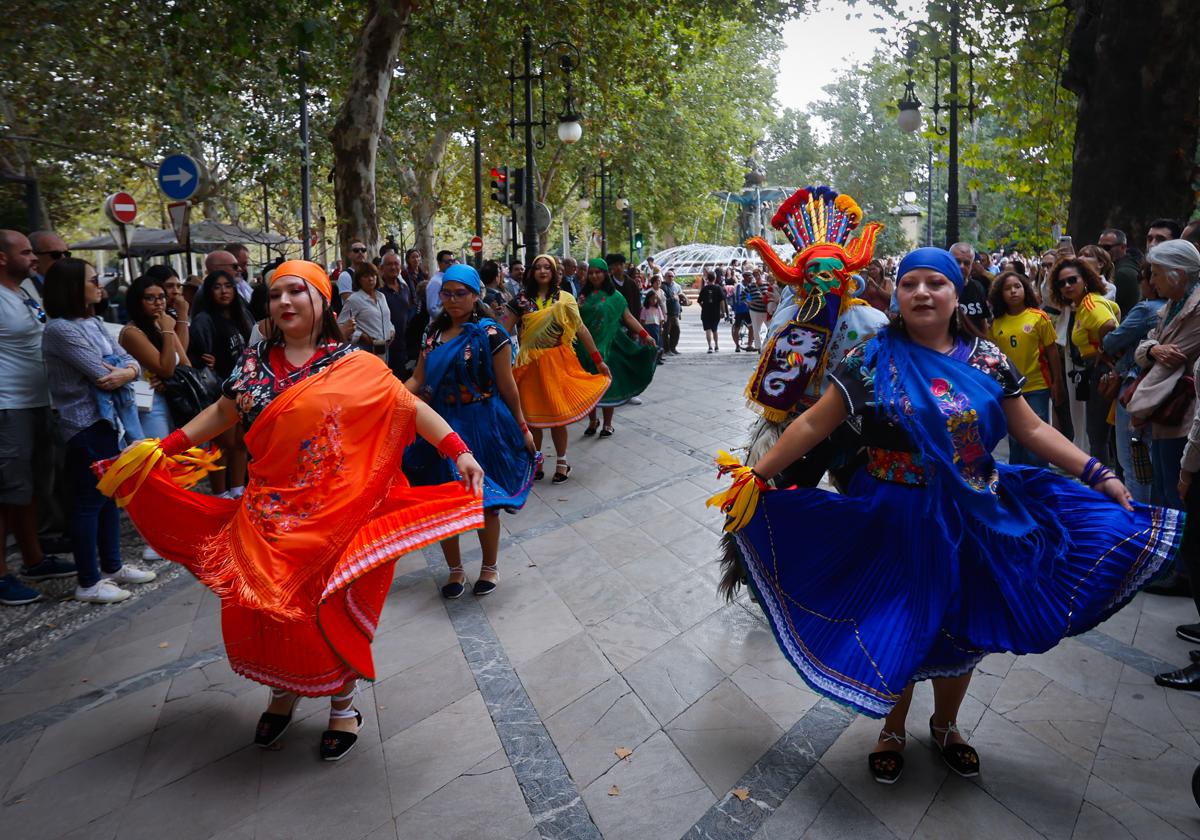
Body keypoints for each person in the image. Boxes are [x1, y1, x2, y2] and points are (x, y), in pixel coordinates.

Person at [709, 246, 1181, 785]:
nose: (922, 293)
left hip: (971, 515)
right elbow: (814, 425)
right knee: (901, 618)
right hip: (891, 513)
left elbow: (1031, 430)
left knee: (961, 621)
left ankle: (947, 724)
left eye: (936, 283)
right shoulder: (869, 359)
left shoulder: (987, 360)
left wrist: (1098, 472)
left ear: (957, 294)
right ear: (898, 294)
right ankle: (891, 729)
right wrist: (758, 475)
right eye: (911, 284)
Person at [96, 259, 485, 761]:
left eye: (297, 292)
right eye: (276, 293)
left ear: (322, 300)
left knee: (320, 609)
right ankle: (284, 690)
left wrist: (459, 451)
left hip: (335, 515)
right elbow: (225, 411)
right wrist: (163, 448)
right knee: (264, 611)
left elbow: (407, 407)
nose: (285, 302)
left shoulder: (358, 364)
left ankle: (343, 702)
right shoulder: (255, 362)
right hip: (267, 515)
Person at [404, 263, 536, 598]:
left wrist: (522, 427)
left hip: (484, 422)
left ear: (475, 295)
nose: (451, 300)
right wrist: (390, 398)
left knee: (484, 500)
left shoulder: (491, 334)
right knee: (445, 499)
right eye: (446, 293)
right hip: (443, 423)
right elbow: (419, 380)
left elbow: (508, 387)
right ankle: (455, 570)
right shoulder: (432, 334)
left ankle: (489, 567)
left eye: (460, 293)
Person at [42, 258, 158, 604]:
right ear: (73, 288)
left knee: (110, 496)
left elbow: (127, 364)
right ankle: (88, 581)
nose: (100, 285)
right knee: (90, 502)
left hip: (109, 423)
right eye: (93, 279)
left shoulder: (91, 322)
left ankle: (113, 566)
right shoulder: (60, 329)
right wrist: (126, 369)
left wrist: (126, 370)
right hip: (84, 425)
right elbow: (100, 372)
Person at [0, 232, 75, 604]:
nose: (34, 257)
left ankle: (33, 558)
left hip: (37, 403)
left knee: (28, 489)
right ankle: (0, 576)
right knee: (6, 492)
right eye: (25, 251)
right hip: (7, 407)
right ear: (1, 257)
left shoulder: (25, 291)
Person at [505, 255, 610, 483]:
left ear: (554, 272)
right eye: (538, 267)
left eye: (547, 267)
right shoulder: (521, 300)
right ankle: (537, 461)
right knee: (532, 419)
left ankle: (562, 462)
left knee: (557, 417)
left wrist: (598, 360)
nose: (543, 271)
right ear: (531, 272)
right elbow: (503, 332)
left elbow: (581, 330)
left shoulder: (565, 298)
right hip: (529, 365)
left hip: (558, 364)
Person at [1130, 240, 1200, 514]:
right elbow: (1145, 348)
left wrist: (1138, 407)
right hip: (1163, 413)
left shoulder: (1196, 309)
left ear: (1178, 273)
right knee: (1162, 495)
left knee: (1176, 502)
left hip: (1181, 414)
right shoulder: (1170, 306)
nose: (1151, 280)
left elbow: (1171, 360)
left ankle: (1180, 558)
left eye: (1156, 273)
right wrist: (1153, 349)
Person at [1047, 257, 1120, 460]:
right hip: (1095, 371)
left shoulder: (1090, 304)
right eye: (1062, 283)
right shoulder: (1080, 306)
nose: (1067, 286)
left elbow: (1109, 326)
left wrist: (1104, 352)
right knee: (1099, 435)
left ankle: (1102, 485)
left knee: (1097, 436)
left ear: (1085, 280)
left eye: (1072, 280)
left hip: (1103, 371)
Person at [189, 270, 253, 496]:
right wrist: (202, 360)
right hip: (218, 392)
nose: (224, 291)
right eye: (217, 287)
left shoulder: (241, 315)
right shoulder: (204, 320)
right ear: (208, 292)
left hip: (244, 388)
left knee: (241, 444)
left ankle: (237, 492)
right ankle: (220, 494)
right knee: (221, 446)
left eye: (228, 286)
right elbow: (192, 355)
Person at [576, 258, 657, 435]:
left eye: (598, 272)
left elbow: (628, 318)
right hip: (585, 349)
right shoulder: (582, 297)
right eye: (591, 273)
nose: (595, 276)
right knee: (589, 388)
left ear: (605, 274)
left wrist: (646, 335)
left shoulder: (616, 297)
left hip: (609, 348)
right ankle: (592, 421)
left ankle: (608, 423)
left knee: (607, 386)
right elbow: (575, 320)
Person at [988, 271, 1061, 466]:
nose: (1013, 291)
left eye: (1017, 286)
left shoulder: (1039, 317)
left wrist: (1056, 382)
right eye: (1007, 288)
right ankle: (1019, 485)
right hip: (1010, 389)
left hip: (1037, 386)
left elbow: (1052, 352)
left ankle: (1041, 483)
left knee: (1036, 440)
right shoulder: (997, 323)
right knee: (1016, 440)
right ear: (1000, 294)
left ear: (1025, 289)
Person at [119, 274, 185, 440]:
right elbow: (166, 368)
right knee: (158, 457)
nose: (158, 303)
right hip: (149, 404)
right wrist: (169, 331)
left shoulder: (162, 324)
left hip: (174, 397)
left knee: (181, 459)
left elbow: (185, 363)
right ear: (137, 302)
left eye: (161, 297)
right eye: (150, 298)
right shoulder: (132, 332)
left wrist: (168, 381)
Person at [337, 262, 394, 358]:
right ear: (359, 280)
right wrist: (361, 336)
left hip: (384, 349)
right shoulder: (354, 299)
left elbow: (385, 318)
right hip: (366, 351)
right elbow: (340, 325)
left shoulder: (381, 296)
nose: (370, 279)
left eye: (373, 275)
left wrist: (392, 330)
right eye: (366, 276)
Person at [377, 251, 411, 379]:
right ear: (382, 268)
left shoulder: (404, 288)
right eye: (389, 264)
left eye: (396, 264)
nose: (393, 267)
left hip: (403, 345)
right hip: (386, 346)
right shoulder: (377, 291)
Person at [949, 242, 992, 338]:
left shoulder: (977, 287)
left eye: (966, 263)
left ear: (972, 265)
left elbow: (983, 322)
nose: (961, 266)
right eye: (957, 261)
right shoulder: (940, 289)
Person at [1098, 228, 1141, 316]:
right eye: (1099, 247)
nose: (1101, 252)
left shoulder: (1123, 273)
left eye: (1106, 247)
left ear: (1123, 247)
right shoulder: (1114, 267)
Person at [698, 271, 727, 353]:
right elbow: (722, 301)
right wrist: (723, 312)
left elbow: (699, 301)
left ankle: (710, 346)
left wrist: (703, 307)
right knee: (715, 329)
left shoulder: (704, 289)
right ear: (715, 278)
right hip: (715, 312)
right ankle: (716, 346)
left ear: (707, 279)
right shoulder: (718, 288)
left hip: (705, 312)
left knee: (707, 330)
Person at [641, 275, 666, 362]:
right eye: (652, 299)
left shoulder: (657, 308)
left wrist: (661, 327)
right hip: (648, 327)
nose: (654, 301)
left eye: (655, 299)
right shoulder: (645, 308)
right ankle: (650, 357)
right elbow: (642, 319)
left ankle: (658, 357)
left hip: (656, 327)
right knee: (649, 343)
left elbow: (661, 318)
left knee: (658, 341)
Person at [425, 250, 456, 318]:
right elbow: (432, 308)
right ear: (439, 263)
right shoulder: (436, 282)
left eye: (452, 261)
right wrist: (447, 318)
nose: (450, 264)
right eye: (447, 262)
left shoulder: (449, 279)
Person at [662, 269, 683, 355]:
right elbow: (663, 301)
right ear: (665, 277)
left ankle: (673, 348)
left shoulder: (677, 286)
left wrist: (680, 310)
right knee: (666, 332)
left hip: (675, 313)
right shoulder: (663, 287)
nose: (671, 278)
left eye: (672, 276)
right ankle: (667, 350)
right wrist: (672, 298)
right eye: (669, 276)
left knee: (676, 331)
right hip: (667, 313)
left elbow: (679, 299)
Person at [730, 271, 751, 350]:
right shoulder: (740, 286)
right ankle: (737, 346)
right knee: (737, 328)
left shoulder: (750, 285)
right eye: (750, 277)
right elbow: (738, 298)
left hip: (747, 310)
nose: (751, 278)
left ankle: (749, 345)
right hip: (740, 310)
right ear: (745, 277)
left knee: (751, 327)